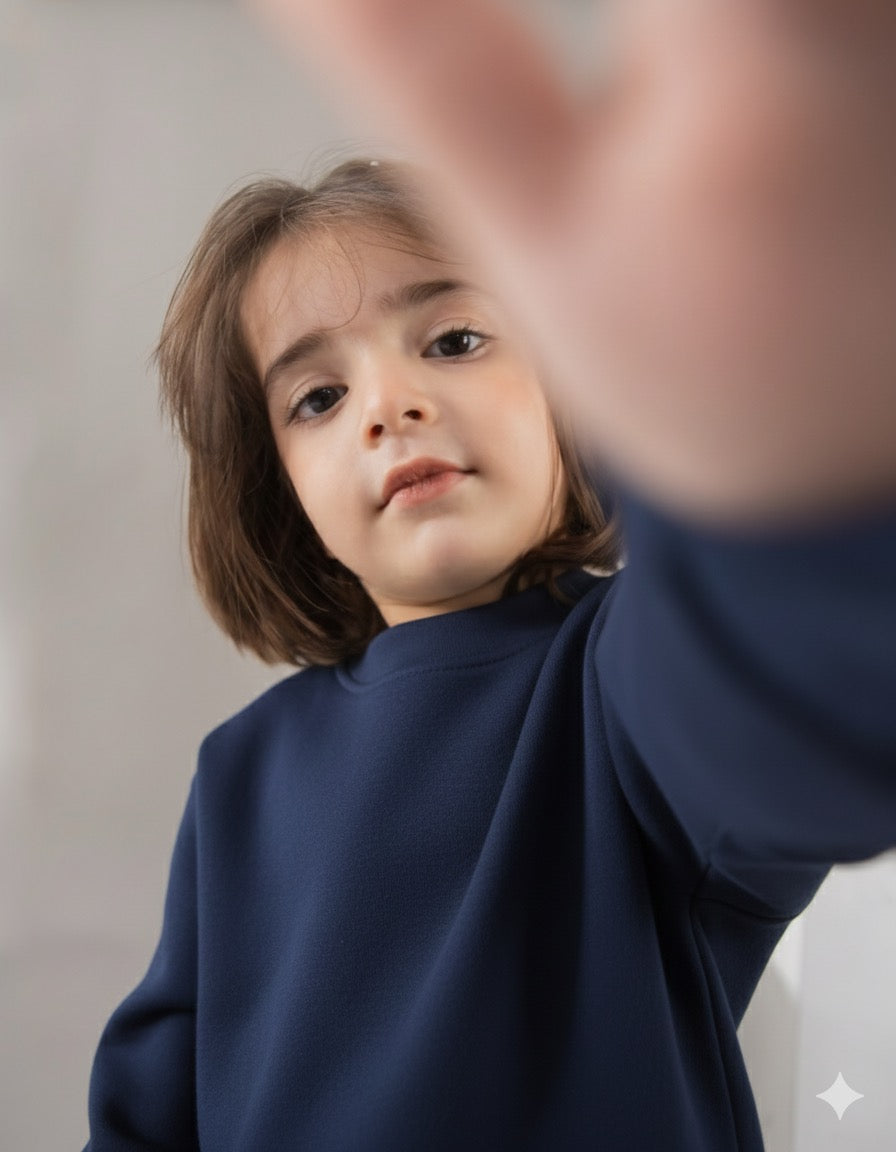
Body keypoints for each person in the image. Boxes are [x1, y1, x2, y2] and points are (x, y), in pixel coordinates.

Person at [82, 155, 896, 1152]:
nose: (388, 404)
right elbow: (146, 1118)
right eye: (317, 398)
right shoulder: (240, 775)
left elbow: (797, 676)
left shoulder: (632, 672)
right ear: (278, 491)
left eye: (455, 340)